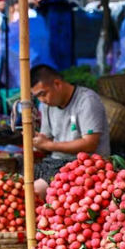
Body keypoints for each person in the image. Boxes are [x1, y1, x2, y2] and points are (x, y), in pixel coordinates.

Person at [30, 64, 111, 200]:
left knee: (33, 192)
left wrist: (48, 145)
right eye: (37, 97)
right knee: (19, 181)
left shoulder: (87, 101)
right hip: (56, 163)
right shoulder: (46, 106)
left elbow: (90, 143)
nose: (41, 100)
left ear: (57, 84)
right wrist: (36, 142)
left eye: (43, 94)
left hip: (86, 167)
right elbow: (46, 139)